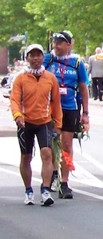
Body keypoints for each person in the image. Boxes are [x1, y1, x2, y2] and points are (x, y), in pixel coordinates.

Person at [11, 44, 62, 206]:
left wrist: (58, 124)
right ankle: (28, 191)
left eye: (38, 55)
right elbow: (14, 100)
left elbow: (56, 102)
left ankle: (45, 190)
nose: (35, 58)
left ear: (43, 57)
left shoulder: (50, 78)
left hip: (44, 122)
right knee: (26, 157)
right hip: (25, 122)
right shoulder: (20, 78)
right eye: (32, 55)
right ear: (27, 58)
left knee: (47, 154)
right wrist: (18, 116)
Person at [45, 30, 89, 199]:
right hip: (51, 108)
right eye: (55, 42)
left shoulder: (77, 63)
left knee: (67, 144)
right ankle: (53, 173)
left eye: (60, 42)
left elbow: (83, 88)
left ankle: (64, 181)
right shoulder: (48, 59)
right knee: (51, 143)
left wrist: (85, 113)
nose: (56, 45)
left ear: (69, 44)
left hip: (70, 107)